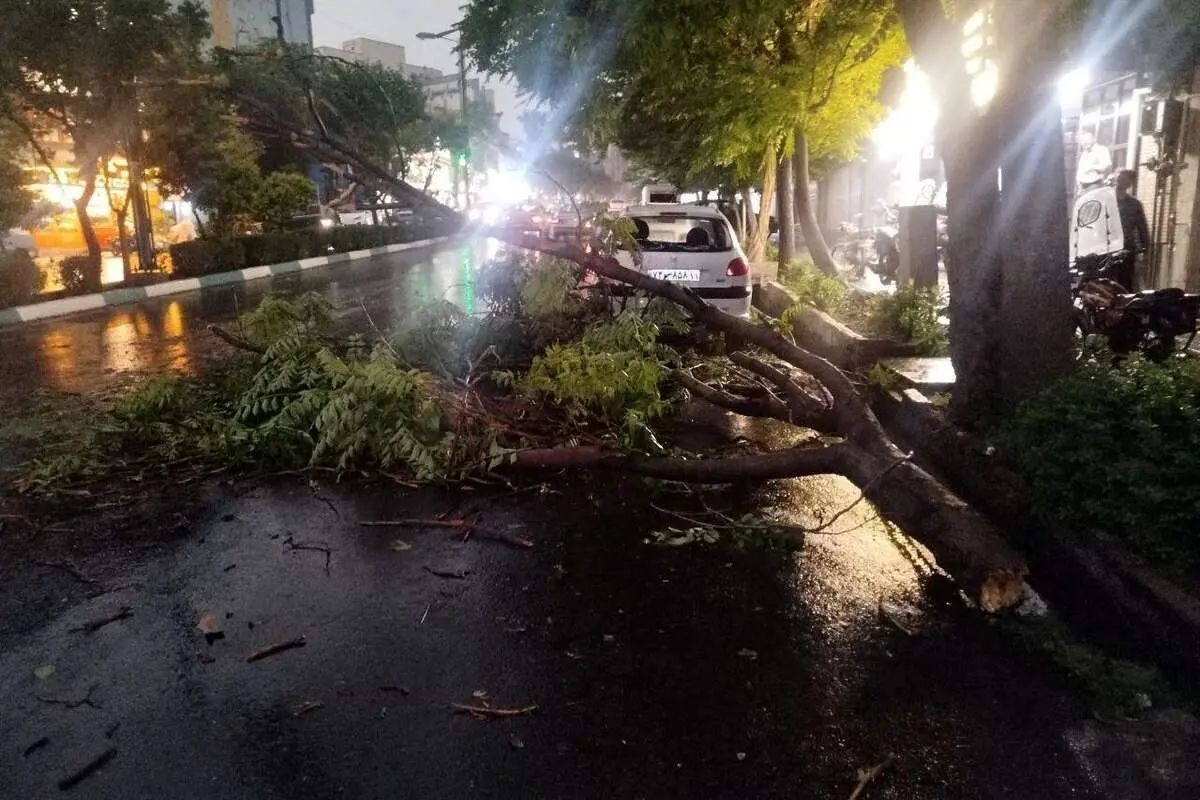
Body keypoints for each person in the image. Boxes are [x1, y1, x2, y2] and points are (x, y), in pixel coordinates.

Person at [1114, 169, 1150, 290]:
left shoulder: (1135, 204)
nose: (1119, 182)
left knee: (1125, 283)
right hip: (1106, 249)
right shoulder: (1107, 201)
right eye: (1118, 178)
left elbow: (1142, 228)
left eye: (1123, 179)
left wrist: (1145, 250)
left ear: (1130, 183)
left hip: (1126, 249)